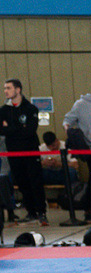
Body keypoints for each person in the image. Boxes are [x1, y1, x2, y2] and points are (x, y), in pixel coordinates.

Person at [0, 78, 47, 225]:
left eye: (8, 88)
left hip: (30, 151)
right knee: (22, 183)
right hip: (14, 152)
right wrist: (19, 128)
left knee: (35, 181)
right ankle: (31, 212)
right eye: (5, 88)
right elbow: (2, 130)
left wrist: (10, 128)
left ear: (18, 89)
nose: (6, 91)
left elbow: (30, 130)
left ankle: (41, 212)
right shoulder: (3, 110)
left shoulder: (30, 109)